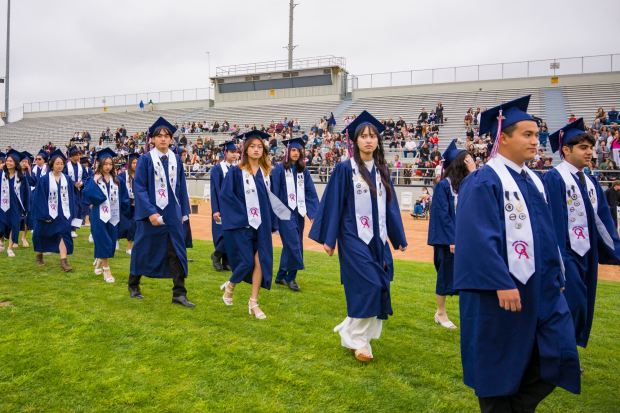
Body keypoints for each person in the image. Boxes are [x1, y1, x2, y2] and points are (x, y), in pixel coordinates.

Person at [454, 96, 581, 411]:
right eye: (526, 134)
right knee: (499, 365)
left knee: (557, 352)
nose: (535, 141)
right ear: (503, 137)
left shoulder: (535, 181)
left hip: (540, 290)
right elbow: (477, 238)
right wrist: (501, 281)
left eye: (536, 134)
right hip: (501, 294)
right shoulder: (483, 181)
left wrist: (557, 276)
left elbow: (546, 235)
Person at [309, 111, 407, 362]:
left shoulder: (383, 170)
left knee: (381, 283)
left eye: (372, 136)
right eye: (363, 136)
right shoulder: (345, 169)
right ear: (355, 141)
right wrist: (329, 239)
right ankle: (359, 342)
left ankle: (352, 329)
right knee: (370, 284)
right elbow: (333, 203)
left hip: (378, 238)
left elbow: (391, 206)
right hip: (353, 236)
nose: (368, 140)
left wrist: (397, 237)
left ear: (378, 142)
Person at [544, 118, 620, 348]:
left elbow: (602, 221)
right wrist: (555, 259)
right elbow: (552, 221)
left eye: (591, 147)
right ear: (566, 150)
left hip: (587, 253)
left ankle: (568, 354)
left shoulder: (590, 181)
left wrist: (616, 250)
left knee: (584, 305)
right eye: (584, 147)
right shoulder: (554, 178)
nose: (590, 152)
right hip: (566, 253)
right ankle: (560, 352)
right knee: (572, 303)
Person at [219, 130, 290, 319]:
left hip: (263, 225)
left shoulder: (268, 173)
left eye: (260, 147)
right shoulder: (236, 172)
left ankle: (253, 302)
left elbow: (272, 199)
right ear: (245, 149)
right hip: (243, 224)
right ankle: (231, 284)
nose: (257, 150)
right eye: (253, 146)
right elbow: (227, 197)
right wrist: (243, 217)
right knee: (247, 261)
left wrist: (275, 222)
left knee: (261, 261)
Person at [128, 117, 194, 308]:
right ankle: (133, 284)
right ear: (153, 140)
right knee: (142, 249)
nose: (163, 139)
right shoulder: (146, 159)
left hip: (172, 212)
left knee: (177, 252)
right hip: (151, 213)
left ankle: (179, 294)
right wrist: (150, 212)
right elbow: (139, 187)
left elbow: (181, 186)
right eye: (159, 136)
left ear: (171, 139)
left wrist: (184, 212)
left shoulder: (176, 159)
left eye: (167, 136)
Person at [427, 139, 476, 329]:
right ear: (459, 164)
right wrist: (452, 240)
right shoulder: (444, 186)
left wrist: (474, 173)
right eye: (468, 161)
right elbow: (442, 216)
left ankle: (468, 314)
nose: (471, 163)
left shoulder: (468, 184)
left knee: (469, 276)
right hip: (450, 241)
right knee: (446, 276)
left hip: (467, 240)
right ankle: (440, 313)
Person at [271, 136, 319, 291]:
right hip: (284, 213)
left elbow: (310, 192)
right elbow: (274, 193)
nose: (296, 153)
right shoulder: (278, 170)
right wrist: (276, 217)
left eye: (298, 150)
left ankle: (280, 276)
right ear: (287, 152)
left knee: (290, 245)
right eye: (293, 150)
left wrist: (314, 214)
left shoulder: (302, 171)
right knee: (294, 244)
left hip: (299, 212)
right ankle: (291, 278)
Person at [83, 148, 130, 283]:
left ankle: (99, 260)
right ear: (100, 164)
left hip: (113, 216)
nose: (108, 166)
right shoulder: (95, 178)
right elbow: (86, 193)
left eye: (110, 164)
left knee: (110, 242)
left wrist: (126, 209)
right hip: (99, 215)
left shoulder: (117, 180)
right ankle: (106, 269)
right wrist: (93, 182)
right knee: (103, 240)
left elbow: (123, 198)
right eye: (105, 164)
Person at [31, 149, 79, 271]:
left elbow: (71, 197)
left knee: (63, 234)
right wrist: (44, 214)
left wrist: (72, 213)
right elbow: (39, 198)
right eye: (57, 163)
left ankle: (64, 261)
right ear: (52, 164)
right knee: (42, 234)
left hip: (63, 213)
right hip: (47, 213)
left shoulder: (67, 179)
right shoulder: (44, 180)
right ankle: (39, 254)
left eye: (62, 163)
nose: (60, 166)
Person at [209, 140, 238, 272]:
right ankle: (216, 255)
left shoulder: (236, 169)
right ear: (225, 152)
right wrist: (215, 210)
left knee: (232, 234)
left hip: (233, 208)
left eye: (235, 152)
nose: (234, 154)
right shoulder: (217, 169)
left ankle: (226, 261)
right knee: (222, 235)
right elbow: (214, 190)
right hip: (221, 207)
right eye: (231, 152)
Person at [0, 150, 30, 257]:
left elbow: (26, 193)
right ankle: (2, 241)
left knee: (14, 225)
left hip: (16, 205)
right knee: (1, 225)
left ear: (16, 163)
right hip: (2, 204)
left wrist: (26, 207)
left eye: (11, 161)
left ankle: (9, 248)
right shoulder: (1, 175)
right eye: (7, 161)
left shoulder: (21, 178)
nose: (8, 163)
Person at [63, 146, 91, 238]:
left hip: (79, 191)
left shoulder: (81, 167)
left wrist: (81, 183)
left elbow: (86, 178)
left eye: (79, 154)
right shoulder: (66, 166)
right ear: (71, 156)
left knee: (79, 209)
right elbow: (64, 177)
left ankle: (74, 229)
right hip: (69, 192)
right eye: (76, 155)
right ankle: (69, 228)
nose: (78, 156)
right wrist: (73, 183)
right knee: (71, 209)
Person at [117, 153, 140, 255]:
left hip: (136, 205)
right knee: (122, 225)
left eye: (137, 163)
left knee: (133, 225)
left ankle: (129, 247)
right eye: (134, 163)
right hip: (124, 204)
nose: (136, 165)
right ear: (130, 164)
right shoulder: (122, 175)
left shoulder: (141, 175)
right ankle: (116, 239)